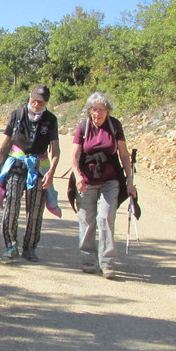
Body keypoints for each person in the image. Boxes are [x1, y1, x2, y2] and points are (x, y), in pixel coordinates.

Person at [70, 91, 136, 280]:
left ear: (107, 111)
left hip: (110, 178)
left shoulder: (115, 126)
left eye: (101, 110)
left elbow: (124, 154)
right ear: (89, 111)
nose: (97, 114)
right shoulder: (83, 126)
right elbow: (74, 155)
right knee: (86, 219)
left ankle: (107, 263)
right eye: (93, 110)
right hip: (87, 178)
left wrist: (130, 181)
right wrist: (78, 176)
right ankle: (88, 260)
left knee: (106, 217)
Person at [0, 84, 60, 263]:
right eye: (34, 100)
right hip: (16, 164)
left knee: (35, 210)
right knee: (12, 205)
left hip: (39, 167)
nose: (37, 104)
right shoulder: (17, 114)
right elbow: (7, 140)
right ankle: (10, 245)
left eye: (41, 102)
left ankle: (30, 247)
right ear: (29, 97)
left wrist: (51, 172)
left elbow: (55, 150)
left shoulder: (51, 120)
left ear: (46, 102)